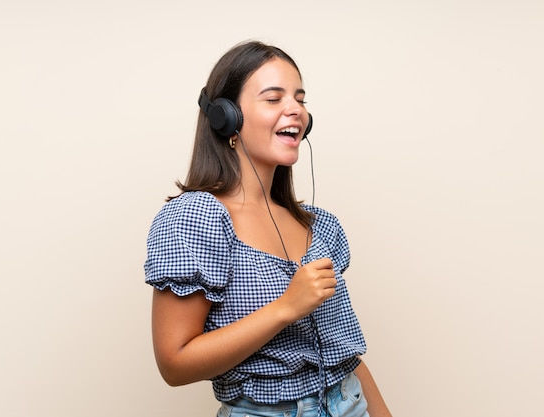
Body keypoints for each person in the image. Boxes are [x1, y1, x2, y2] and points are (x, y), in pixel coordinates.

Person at [144, 40, 393, 417]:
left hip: (350, 403)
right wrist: (285, 308)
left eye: (299, 98)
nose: (295, 109)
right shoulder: (197, 219)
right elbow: (174, 364)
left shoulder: (319, 225)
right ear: (227, 117)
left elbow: (345, 356)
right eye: (273, 98)